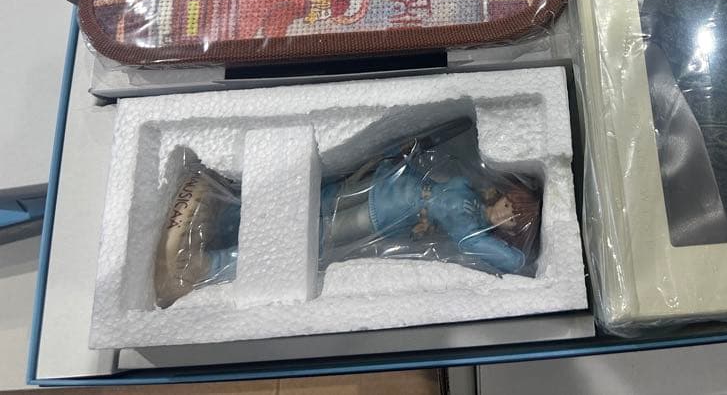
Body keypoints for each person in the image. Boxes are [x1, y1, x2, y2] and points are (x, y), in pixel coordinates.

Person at [154, 138, 541, 309]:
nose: (506, 211)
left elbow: (485, 250)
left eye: (512, 217)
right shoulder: (470, 191)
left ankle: (205, 269)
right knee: (304, 203)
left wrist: (517, 258)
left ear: (508, 228)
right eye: (510, 204)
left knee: (308, 238)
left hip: (374, 218)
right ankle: (228, 214)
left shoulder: (468, 225)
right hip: (377, 186)